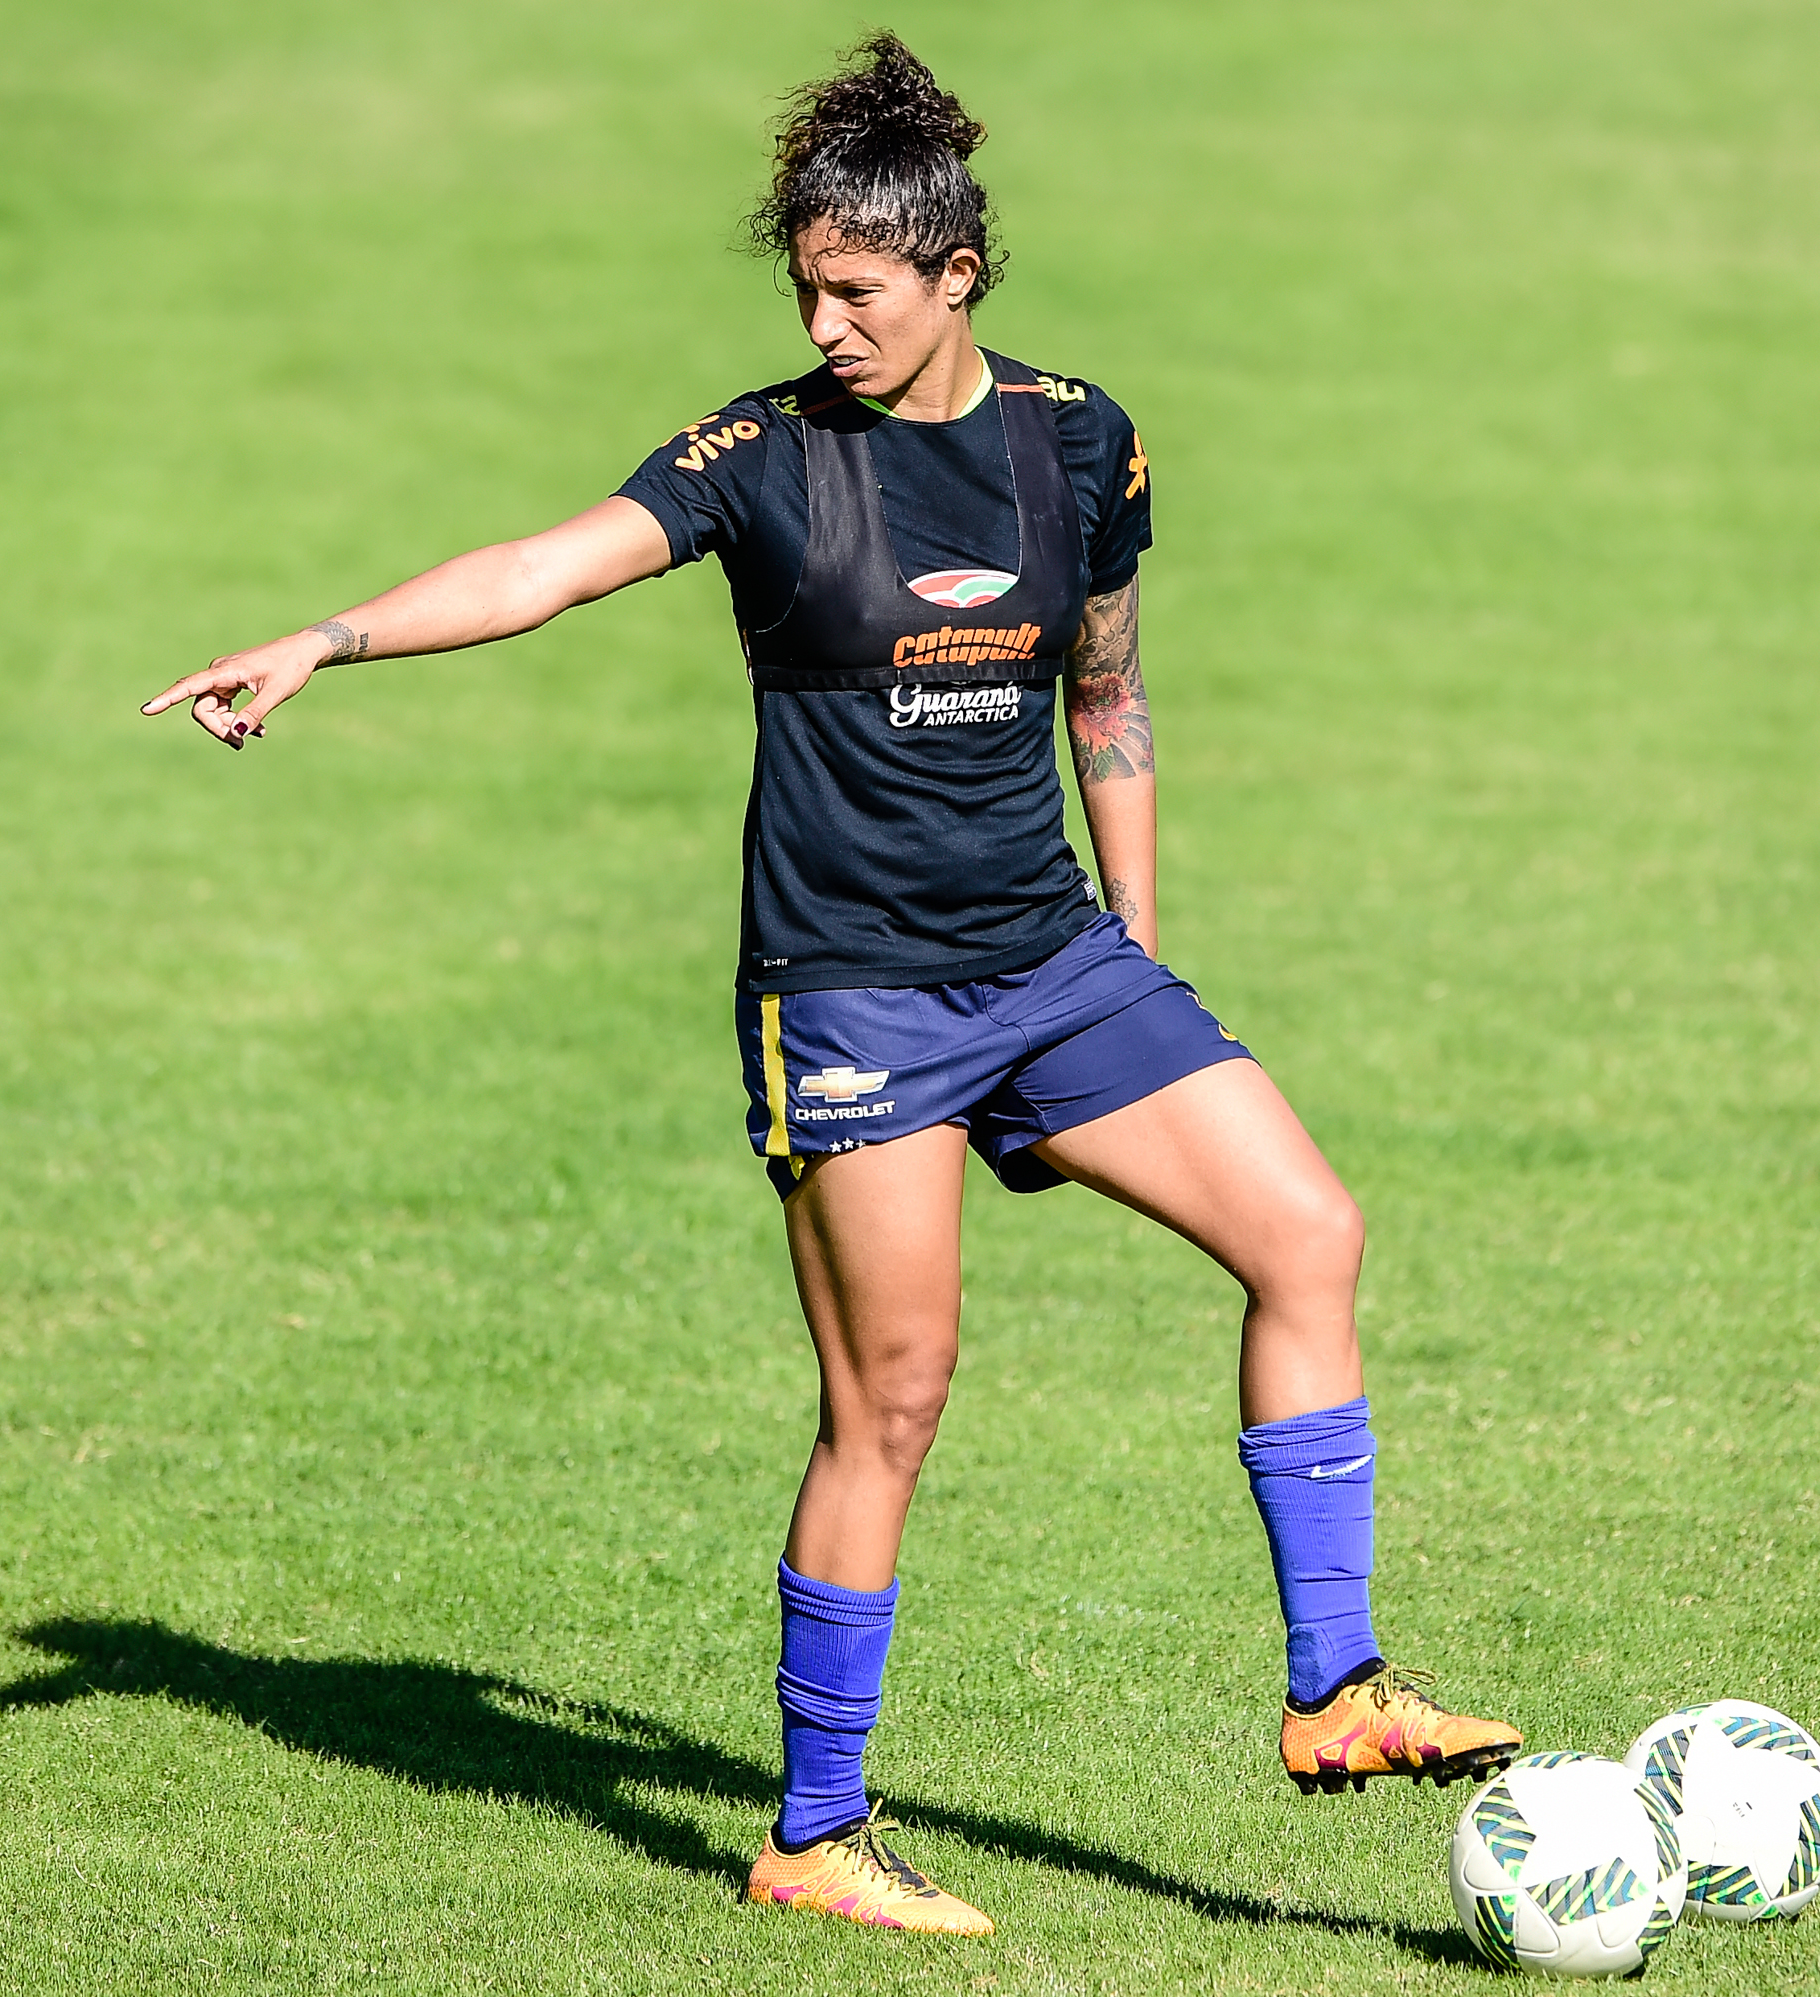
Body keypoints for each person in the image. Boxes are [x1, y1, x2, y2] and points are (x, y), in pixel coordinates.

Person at [141, 31, 1519, 1936]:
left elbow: (1104, 687)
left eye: (856, 288)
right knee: (894, 1394)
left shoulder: (1081, 440)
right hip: (855, 994)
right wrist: (329, 635)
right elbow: (545, 567)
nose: (825, 319)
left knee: (1311, 1230)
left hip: (1054, 964)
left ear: (956, 276)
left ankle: (1337, 1691)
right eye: (805, 285)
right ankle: (812, 1834)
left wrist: (1134, 929)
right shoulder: (761, 456)